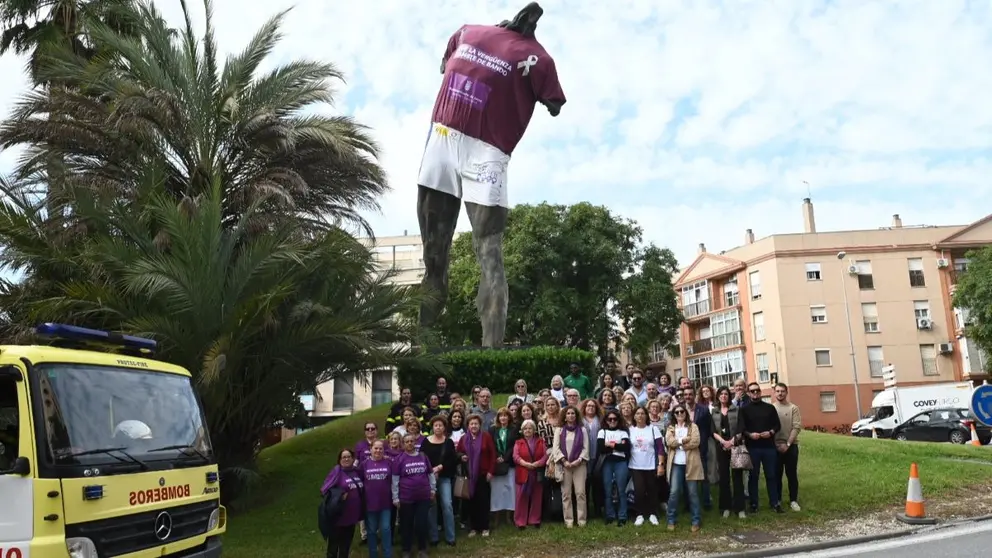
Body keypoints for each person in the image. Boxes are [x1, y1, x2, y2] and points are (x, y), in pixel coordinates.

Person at [737, 382, 784, 514]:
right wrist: (750, 435)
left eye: (757, 390)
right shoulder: (744, 409)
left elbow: (777, 425)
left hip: (769, 447)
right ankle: (754, 504)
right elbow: (742, 428)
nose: (755, 393)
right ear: (749, 393)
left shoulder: (769, 408)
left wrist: (770, 433)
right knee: (753, 476)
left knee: (771, 475)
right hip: (753, 448)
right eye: (752, 391)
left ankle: (775, 503)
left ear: (760, 392)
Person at [392, 433, 436, 558]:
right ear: (403, 444)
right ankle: (406, 549)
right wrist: (395, 497)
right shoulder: (399, 459)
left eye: (412, 441)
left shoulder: (423, 457)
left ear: (415, 443)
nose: (410, 443)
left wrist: (433, 489)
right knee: (406, 524)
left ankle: (422, 549)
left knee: (421, 523)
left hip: (423, 496)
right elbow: (395, 480)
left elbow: (430, 474)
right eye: (407, 442)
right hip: (406, 498)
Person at [456, 414, 497, 537]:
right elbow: (457, 453)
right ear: (468, 425)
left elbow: (493, 455)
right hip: (469, 475)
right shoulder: (464, 438)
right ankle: (473, 527)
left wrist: (491, 471)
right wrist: (461, 456)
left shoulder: (486, 436)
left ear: (480, 425)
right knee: (471, 502)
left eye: (476, 424)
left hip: (483, 474)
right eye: (471, 424)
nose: (474, 426)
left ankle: (485, 527)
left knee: (483, 501)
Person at [320, 448, 364, 558]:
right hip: (338, 518)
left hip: (351, 517)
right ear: (339, 460)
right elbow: (325, 489)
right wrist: (339, 495)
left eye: (349, 456)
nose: (346, 459)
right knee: (333, 547)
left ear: (353, 458)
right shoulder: (337, 471)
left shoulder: (356, 471)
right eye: (343, 457)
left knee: (345, 547)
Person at [665, 404, 702, 532]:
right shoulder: (670, 428)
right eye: (677, 412)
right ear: (674, 415)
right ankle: (671, 519)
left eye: (682, 411)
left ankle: (696, 520)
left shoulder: (693, 426)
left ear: (685, 413)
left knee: (693, 493)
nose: (680, 414)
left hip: (691, 463)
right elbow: (669, 442)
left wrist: (679, 444)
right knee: (674, 492)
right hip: (676, 464)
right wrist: (683, 440)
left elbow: (696, 441)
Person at [422, 415, 457, 547]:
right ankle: (433, 537)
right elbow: (422, 460)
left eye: (440, 425)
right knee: (432, 506)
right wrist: (431, 472)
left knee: (447, 505)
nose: (438, 427)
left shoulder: (448, 442)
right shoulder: (426, 441)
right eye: (436, 425)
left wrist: (440, 468)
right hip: (429, 478)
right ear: (432, 427)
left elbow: (452, 460)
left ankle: (450, 536)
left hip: (444, 477)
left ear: (444, 427)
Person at [553, 405, 589, 528]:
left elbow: (586, 448)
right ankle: (568, 520)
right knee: (566, 494)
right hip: (565, 465)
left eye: (573, 413)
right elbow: (555, 449)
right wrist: (564, 461)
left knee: (580, 493)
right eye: (568, 413)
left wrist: (578, 460)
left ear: (576, 415)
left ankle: (581, 520)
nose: (570, 416)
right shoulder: (560, 430)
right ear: (564, 416)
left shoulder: (582, 430)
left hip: (579, 465)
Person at [712, 386, 746, 519]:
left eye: (726, 394)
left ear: (729, 396)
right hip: (721, 448)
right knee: (724, 479)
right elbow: (712, 430)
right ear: (718, 396)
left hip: (735, 446)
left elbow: (741, 427)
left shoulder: (736, 410)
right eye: (721, 394)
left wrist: (731, 442)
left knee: (737, 478)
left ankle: (740, 508)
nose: (724, 396)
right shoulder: (714, 412)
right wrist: (723, 442)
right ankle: (725, 507)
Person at [628, 406, 665, 527]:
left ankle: (652, 514)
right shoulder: (630, 430)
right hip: (635, 465)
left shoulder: (653, 429)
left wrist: (660, 464)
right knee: (639, 490)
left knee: (652, 490)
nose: (640, 416)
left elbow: (660, 448)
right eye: (637, 413)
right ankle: (640, 514)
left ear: (646, 415)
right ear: (634, 416)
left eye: (642, 413)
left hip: (651, 465)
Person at [360, 441, 393, 558]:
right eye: (376, 448)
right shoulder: (364, 464)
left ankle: (387, 554)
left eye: (381, 449)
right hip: (370, 503)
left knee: (385, 529)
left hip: (386, 503)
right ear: (371, 449)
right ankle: (373, 554)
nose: (378, 451)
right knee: (372, 531)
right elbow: (360, 482)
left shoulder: (389, 462)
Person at [773, 382, 803, 512]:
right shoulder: (771, 408)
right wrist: (776, 445)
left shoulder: (793, 408)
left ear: (786, 392)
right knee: (776, 475)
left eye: (782, 391)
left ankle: (793, 500)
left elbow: (796, 427)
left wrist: (788, 444)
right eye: (778, 391)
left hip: (791, 446)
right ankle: (777, 500)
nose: (780, 393)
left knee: (791, 475)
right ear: (775, 393)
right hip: (775, 447)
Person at [597, 409, 630, 526]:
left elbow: (626, 448)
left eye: (614, 419)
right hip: (607, 462)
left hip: (621, 462)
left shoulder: (623, 432)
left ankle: (622, 516)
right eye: (609, 419)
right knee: (608, 490)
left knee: (621, 490)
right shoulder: (602, 432)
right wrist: (617, 445)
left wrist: (610, 444)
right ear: (606, 420)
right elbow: (601, 448)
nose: (612, 421)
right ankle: (609, 515)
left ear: (618, 420)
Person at [682, 384, 713, 511]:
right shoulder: (680, 410)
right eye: (685, 395)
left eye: (690, 394)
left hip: (700, 447)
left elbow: (707, 428)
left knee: (703, 476)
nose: (688, 397)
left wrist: (703, 442)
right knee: (686, 476)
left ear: (694, 396)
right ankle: (688, 504)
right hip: (684, 448)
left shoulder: (703, 410)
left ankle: (706, 502)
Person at [513, 418, 548, 529]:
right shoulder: (518, 443)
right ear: (522, 431)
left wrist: (537, 463)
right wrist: (525, 464)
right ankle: (520, 521)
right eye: (525, 429)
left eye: (530, 428)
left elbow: (546, 455)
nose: (528, 430)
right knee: (521, 497)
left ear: (534, 430)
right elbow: (515, 456)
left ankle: (535, 519)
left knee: (537, 496)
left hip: (536, 472)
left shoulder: (541, 441)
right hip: (523, 472)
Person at [489, 408, 518, 528]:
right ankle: (496, 516)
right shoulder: (492, 429)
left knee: (510, 490)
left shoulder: (514, 429)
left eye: (506, 416)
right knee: (496, 491)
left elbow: (514, 446)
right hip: (496, 464)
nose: (503, 418)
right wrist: (497, 457)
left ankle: (508, 516)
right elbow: (490, 445)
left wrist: (505, 458)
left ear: (509, 418)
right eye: (501, 416)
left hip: (509, 464)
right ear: (498, 418)